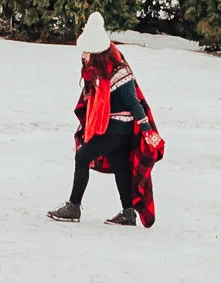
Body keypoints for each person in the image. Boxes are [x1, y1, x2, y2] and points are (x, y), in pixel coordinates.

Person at [49, 13, 164, 228]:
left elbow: (134, 103)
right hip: (113, 128)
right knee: (119, 164)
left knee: (82, 156)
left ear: (97, 53)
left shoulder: (119, 72)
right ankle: (128, 214)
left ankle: (73, 207)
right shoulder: (99, 72)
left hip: (118, 129)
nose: (83, 55)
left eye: (86, 51)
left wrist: (148, 130)